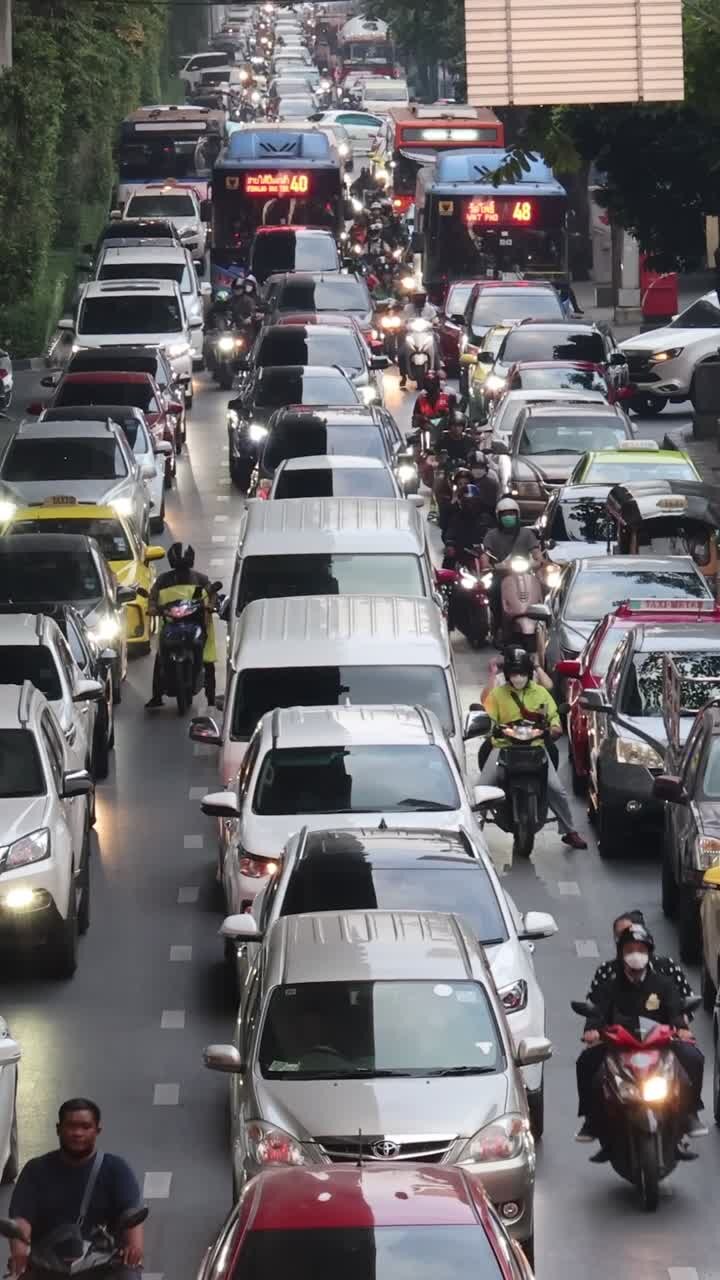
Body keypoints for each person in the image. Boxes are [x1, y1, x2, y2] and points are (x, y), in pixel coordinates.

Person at [575, 924, 706, 1154]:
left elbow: (676, 1009)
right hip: (619, 1047)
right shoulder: (611, 985)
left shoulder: (663, 984)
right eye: (630, 949)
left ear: (648, 952)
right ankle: (592, 1120)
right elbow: (597, 1010)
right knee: (586, 1063)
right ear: (621, 953)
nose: (635, 954)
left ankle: (691, 1113)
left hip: (660, 1046)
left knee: (694, 1058)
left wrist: (682, 1028)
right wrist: (592, 1030)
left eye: (640, 949)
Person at [8, 1098, 143, 1278]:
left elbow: (131, 1212)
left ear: (97, 1131)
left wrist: (133, 1248)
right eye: (71, 1126)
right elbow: (21, 1219)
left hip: (102, 1263)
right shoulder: (36, 1170)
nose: (77, 1133)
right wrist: (20, 1252)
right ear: (58, 1129)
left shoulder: (117, 1169)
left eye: (85, 1127)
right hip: (47, 1264)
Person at [481, 647, 587, 849]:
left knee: (557, 789)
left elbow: (553, 717)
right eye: (513, 673)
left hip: (536, 748)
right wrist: (491, 728)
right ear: (507, 674)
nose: (517, 677)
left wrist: (555, 728)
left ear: (529, 673)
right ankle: (474, 830)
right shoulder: (498, 694)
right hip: (504, 747)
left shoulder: (540, 694)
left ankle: (569, 830)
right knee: (482, 788)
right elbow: (488, 713)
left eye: (521, 672)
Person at [145, 543, 217, 710]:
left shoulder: (201, 579)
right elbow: (152, 597)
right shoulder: (162, 580)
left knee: (208, 663)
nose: (181, 572)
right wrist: (152, 608)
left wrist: (210, 605)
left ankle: (211, 698)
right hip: (171, 623)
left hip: (197, 623)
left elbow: (212, 594)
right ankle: (157, 695)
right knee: (159, 659)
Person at [399, 289, 438, 388]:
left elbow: (435, 318)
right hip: (411, 334)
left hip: (426, 334)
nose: (419, 299)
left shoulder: (429, 308)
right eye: (417, 296)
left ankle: (439, 365)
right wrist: (402, 325)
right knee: (401, 352)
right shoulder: (407, 308)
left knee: (436, 341)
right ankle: (403, 375)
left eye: (421, 296)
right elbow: (403, 320)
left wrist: (435, 322)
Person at [412, 372, 455, 438]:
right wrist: (422, 418)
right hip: (427, 432)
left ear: (437, 384)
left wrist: (446, 414)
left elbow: (454, 416)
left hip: (445, 433)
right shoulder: (420, 400)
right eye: (428, 383)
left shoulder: (447, 398)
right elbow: (415, 419)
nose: (430, 386)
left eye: (432, 383)